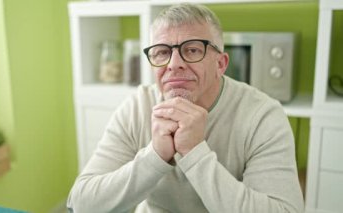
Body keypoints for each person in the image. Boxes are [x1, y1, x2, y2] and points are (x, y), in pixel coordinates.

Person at [67, 3, 304, 213]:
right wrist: (155, 156)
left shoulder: (263, 116)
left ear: (220, 64)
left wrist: (194, 153)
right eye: (161, 52)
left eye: (192, 50)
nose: (174, 65)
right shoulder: (137, 107)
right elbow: (81, 203)